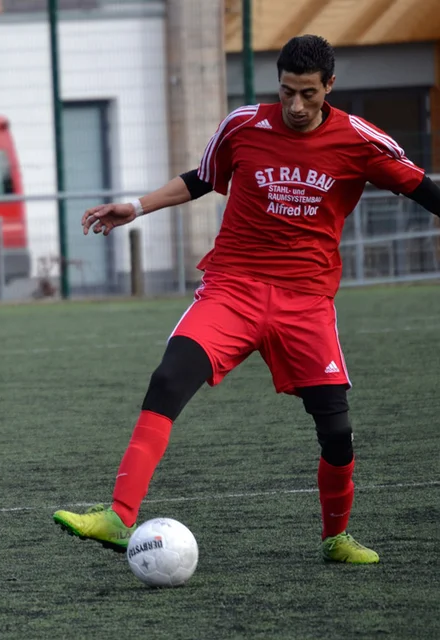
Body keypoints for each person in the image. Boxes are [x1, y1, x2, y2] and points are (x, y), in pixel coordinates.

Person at [52, 35, 440, 565]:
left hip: (306, 301)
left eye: (308, 93)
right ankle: (120, 517)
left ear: (329, 86)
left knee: (336, 430)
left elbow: (421, 188)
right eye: (286, 91)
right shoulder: (244, 125)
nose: (296, 105)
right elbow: (203, 179)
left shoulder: (359, 140)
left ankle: (335, 538)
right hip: (233, 288)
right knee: (168, 378)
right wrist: (136, 207)